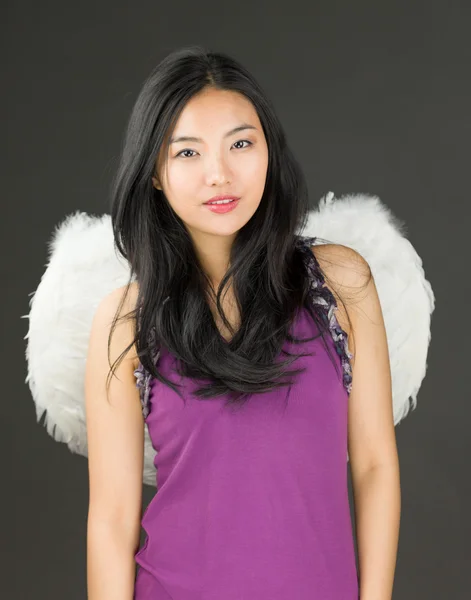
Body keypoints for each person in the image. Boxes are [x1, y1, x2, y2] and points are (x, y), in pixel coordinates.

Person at [83, 45, 400, 599]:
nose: (219, 174)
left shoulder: (341, 284)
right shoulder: (126, 322)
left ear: (269, 152)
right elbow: (111, 517)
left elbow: (374, 466)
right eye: (187, 153)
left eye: (241, 144)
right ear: (153, 173)